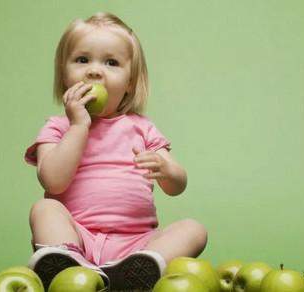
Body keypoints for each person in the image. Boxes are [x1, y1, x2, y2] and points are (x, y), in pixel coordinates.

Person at [24, 12, 207, 291]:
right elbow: (53, 181)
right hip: (77, 237)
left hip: (137, 243)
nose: (95, 71)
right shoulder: (58, 128)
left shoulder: (142, 128)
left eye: (111, 62)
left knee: (194, 229)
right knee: (44, 208)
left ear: (130, 82)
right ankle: (67, 264)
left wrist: (167, 170)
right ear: (64, 73)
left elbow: (177, 186)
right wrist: (78, 126)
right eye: (82, 60)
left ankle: (143, 267)